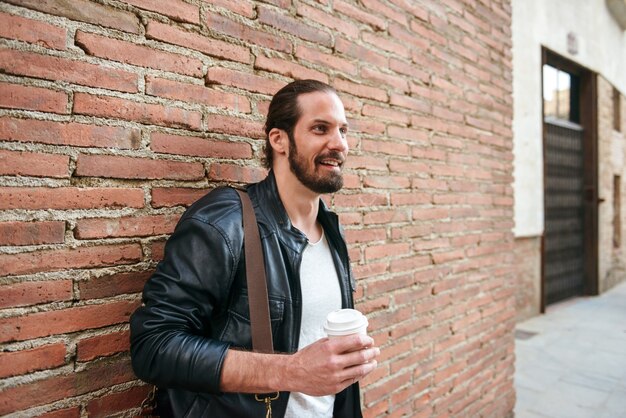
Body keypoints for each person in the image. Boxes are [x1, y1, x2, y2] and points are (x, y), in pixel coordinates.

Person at [130, 79, 380, 417]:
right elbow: (154, 347)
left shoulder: (331, 230)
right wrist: (291, 371)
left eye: (343, 131)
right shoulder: (224, 221)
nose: (339, 144)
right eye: (320, 128)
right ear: (279, 139)